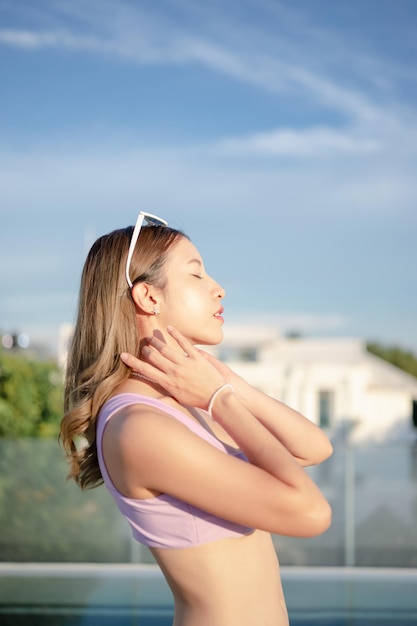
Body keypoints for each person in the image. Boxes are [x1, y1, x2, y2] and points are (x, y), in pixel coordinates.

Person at [60, 211, 333, 626]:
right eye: (197, 275)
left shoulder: (182, 402)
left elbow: (314, 447)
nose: (218, 289)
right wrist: (218, 399)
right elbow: (312, 513)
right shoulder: (139, 426)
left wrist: (228, 384)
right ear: (149, 297)